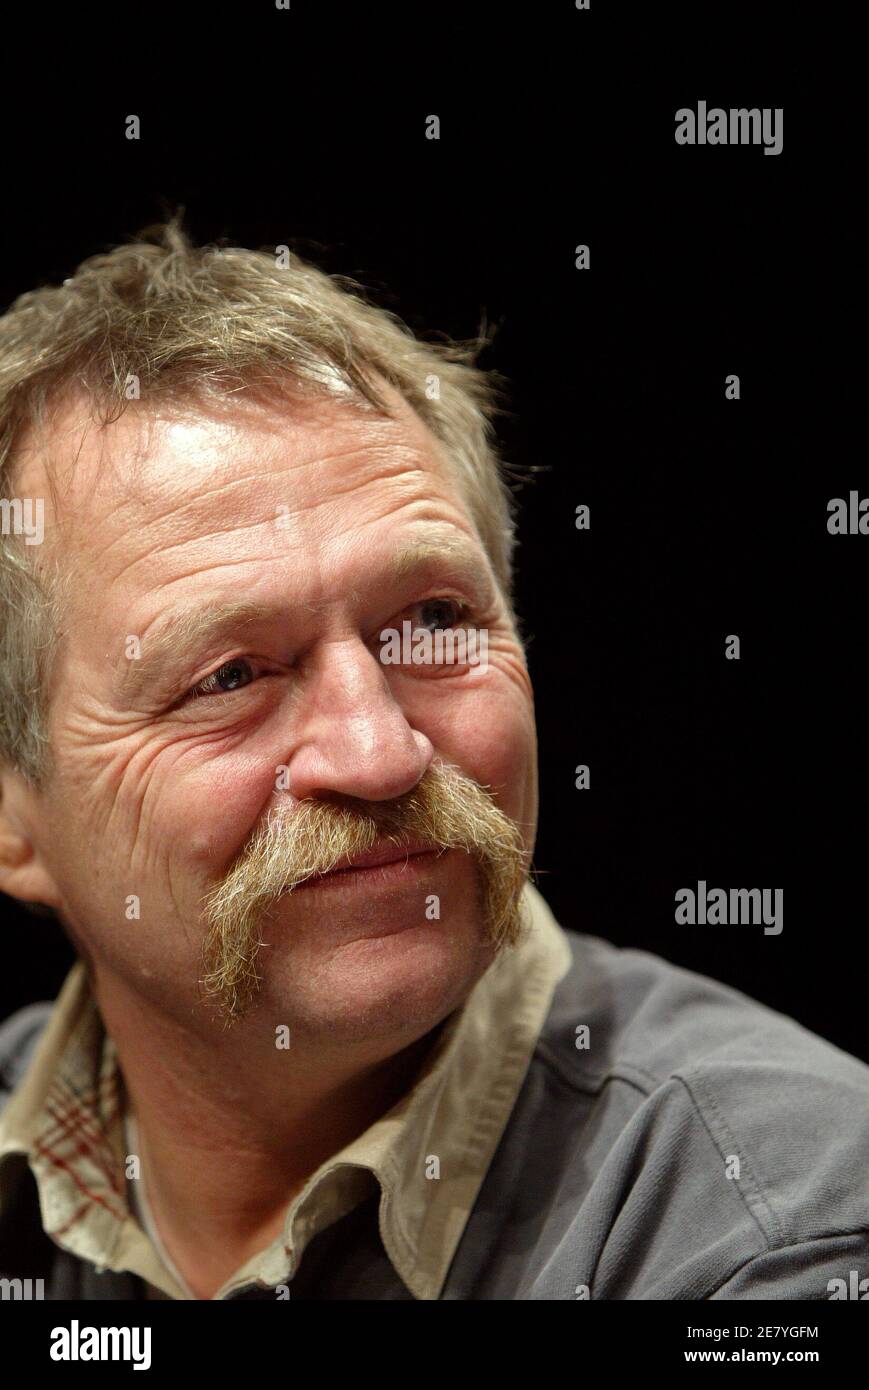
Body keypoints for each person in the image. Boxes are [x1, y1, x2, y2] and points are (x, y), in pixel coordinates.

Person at [0, 223, 867, 1301]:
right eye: (230, 676)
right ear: (13, 816)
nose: (376, 753)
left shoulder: (770, 1233)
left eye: (432, 620)